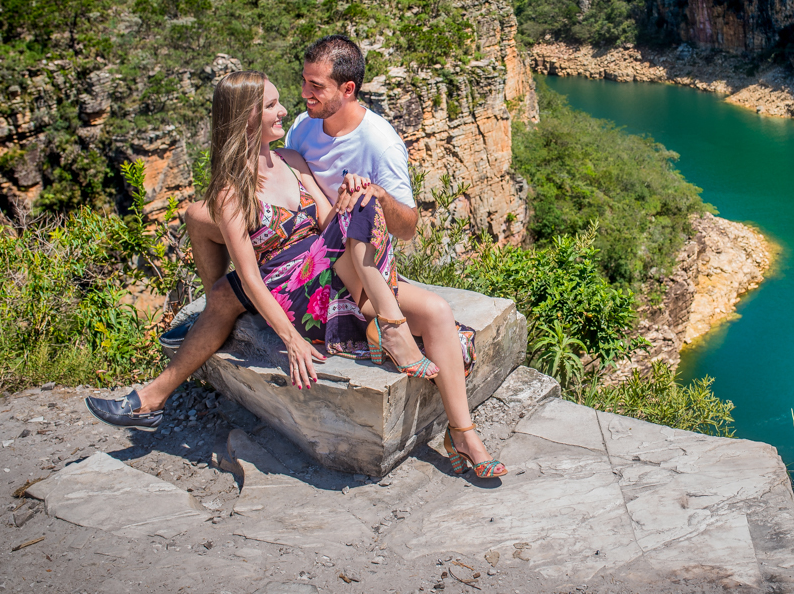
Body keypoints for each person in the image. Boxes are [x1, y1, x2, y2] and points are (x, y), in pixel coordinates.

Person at [87, 37, 505, 478]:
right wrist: (290, 338)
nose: (287, 110)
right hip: (293, 287)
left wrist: (355, 197)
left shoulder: (292, 156)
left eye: (295, 95)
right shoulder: (233, 192)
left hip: (334, 270)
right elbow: (249, 279)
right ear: (248, 118)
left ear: (346, 89)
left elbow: (329, 225)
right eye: (272, 105)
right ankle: (391, 329)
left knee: (423, 290)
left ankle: (463, 433)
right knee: (340, 214)